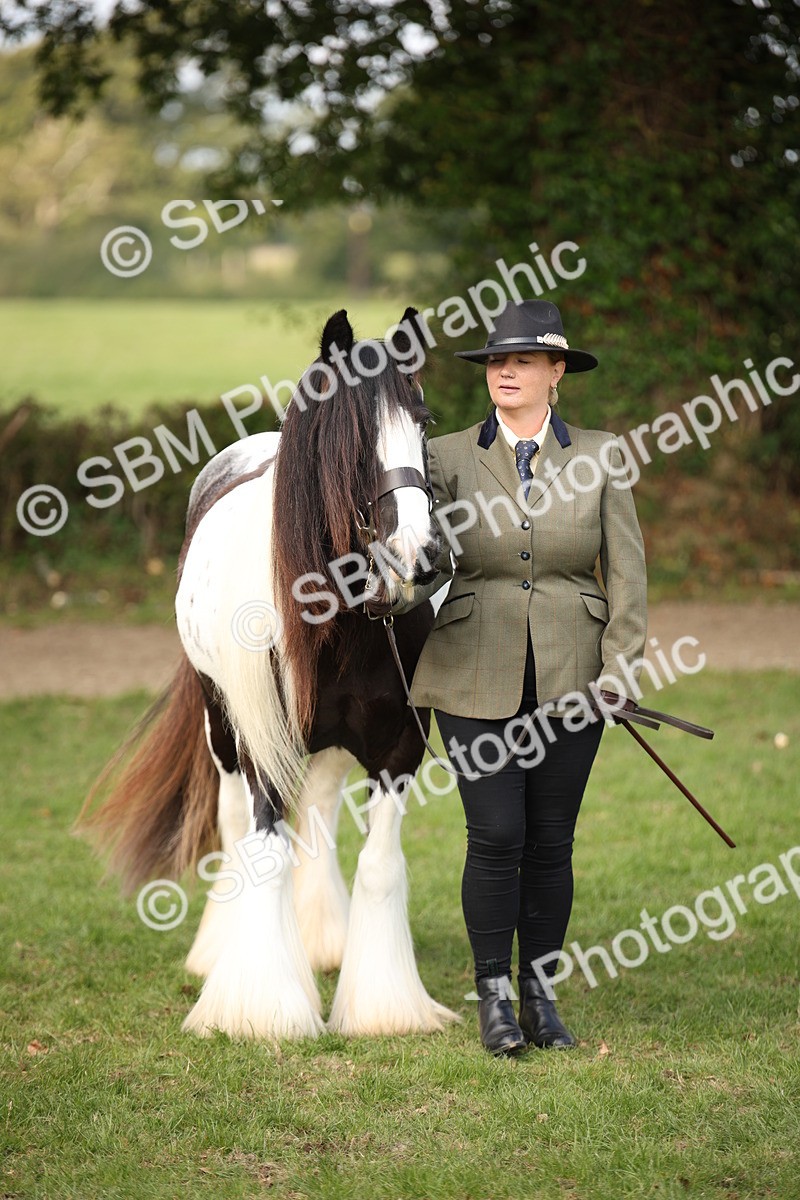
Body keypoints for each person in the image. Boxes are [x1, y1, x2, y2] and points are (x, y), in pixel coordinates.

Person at [408, 299, 648, 1056]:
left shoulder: (603, 455)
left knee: (550, 842)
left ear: (556, 372)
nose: (504, 372)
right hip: (470, 670)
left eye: (522, 361)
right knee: (496, 834)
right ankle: (495, 1000)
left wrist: (620, 670)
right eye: (495, 362)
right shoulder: (443, 457)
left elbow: (628, 575)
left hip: (574, 676)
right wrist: (394, 573)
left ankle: (541, 999)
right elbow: (426, 563)